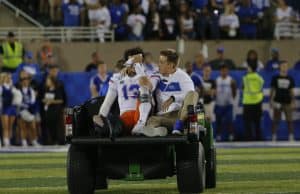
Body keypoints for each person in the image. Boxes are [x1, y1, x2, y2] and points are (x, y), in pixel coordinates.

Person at [138, 49, 198, 135]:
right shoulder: (156, 75)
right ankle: (157, 131)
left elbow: (190, 96)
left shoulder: (184, 77)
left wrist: (173, 98)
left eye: (162, 62)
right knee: (152, 121)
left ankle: (178, 126)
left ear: (171, 65)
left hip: (179, 116)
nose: (158, 65)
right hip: (162, 117)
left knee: (194, 94)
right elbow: (151, 86)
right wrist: (142, 77)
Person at [94, 56, 143, 135]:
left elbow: (107, 103)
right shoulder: (141, 77)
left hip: (125, 118)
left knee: (114, 121)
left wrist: (101, 117)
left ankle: (112, 129)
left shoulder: (116, 78)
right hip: (140, 117)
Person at [270, 61, 295, 141]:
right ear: (280, 67)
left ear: (287, 67)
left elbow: (291, 91)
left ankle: (291, 136)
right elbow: (273, 90)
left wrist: (293, 101)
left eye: (286, 66)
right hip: (278, 101)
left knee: (289, 120)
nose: (284, 67)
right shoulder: (275, 78)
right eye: (283, 66)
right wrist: (271, 101)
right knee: (276, 120)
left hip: (287, 101)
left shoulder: (290, 78)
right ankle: (274, 136)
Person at [242, 61, 264, 141]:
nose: (247, 69)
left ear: (250, 68)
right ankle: (258, 138)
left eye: (248, 67)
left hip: (248, 102)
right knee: (257, 122)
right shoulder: (259, 78)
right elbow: (261, 86)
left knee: (248, 123)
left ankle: (249, 139)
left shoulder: (246, 78)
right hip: (258, 101)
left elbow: (243, 87)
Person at [215, 64, 237, 141]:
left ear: (227, 71)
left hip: (228, 104)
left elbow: (234, 91)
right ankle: (218, 136)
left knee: (229, 120)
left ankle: (231, 135)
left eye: (225, 70)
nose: (224, 72)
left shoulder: (231, 80)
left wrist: (232, 99)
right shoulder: (217, 80)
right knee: (218, 121)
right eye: (222, 70)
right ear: (220, 71)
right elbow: (214, 91)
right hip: (219, 104)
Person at [17, 70, 39, 147]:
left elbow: (33, 101)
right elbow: (18, 100)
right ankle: (24, 141)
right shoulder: (18, 90)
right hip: (21, 110)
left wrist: (27, 106)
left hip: (30, 110)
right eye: (24, 81)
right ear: (22, 82)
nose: (26, 82)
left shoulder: (31, 91)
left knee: (33, 126)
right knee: (23, 126)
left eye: (27, 81)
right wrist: (23, 106)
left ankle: (34, 140)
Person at [0, 73, 22, 147]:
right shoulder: (1, 87)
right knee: (5, 126)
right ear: (4, 78)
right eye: (7, 78)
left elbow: (18, 97)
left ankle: (9, 140)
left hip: (12, 107)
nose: (9, 79)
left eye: (10, 78)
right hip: (5, 107)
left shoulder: (12, 87)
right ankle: (5, 140)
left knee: (10, 125)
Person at [43, 76, 65, 145]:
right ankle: (51, 141)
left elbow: (61, 100)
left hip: (55, 111)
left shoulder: (57, 90)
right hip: (48, 111)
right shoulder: (47, 90)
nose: (47, 82)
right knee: (50, 127)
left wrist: (52, 101)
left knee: (57, 127)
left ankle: (60, 140)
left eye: (48, 81)